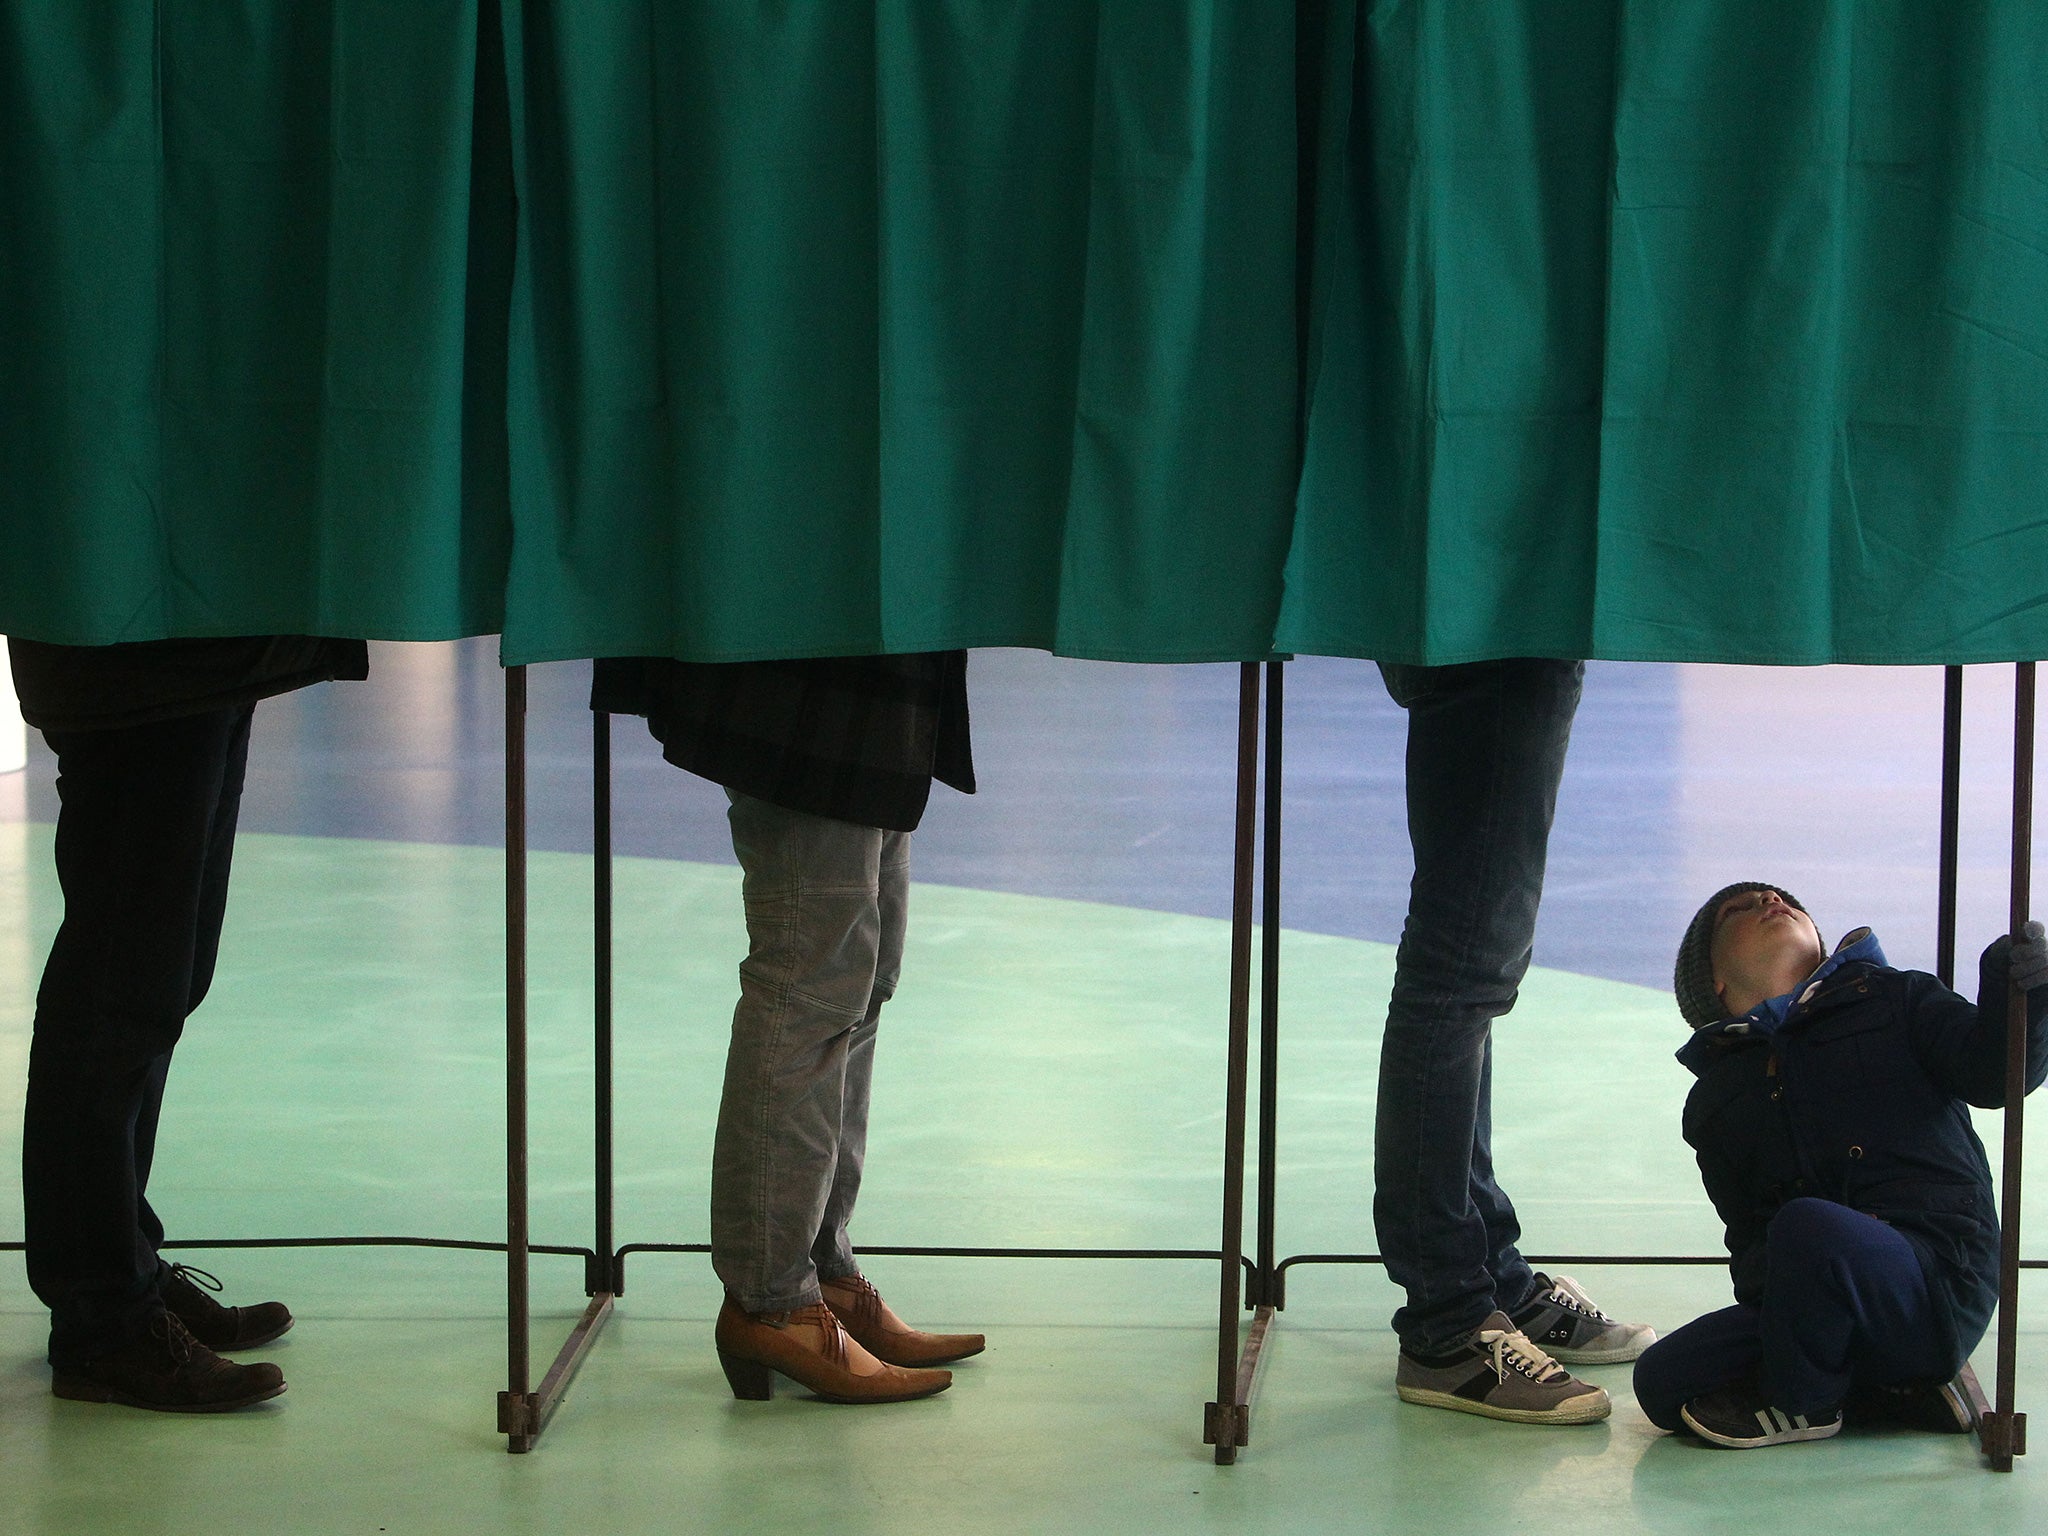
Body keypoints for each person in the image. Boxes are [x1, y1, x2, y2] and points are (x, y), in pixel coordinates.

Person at [593, 651, 982, 1405]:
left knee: (865, 986)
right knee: (810, 990)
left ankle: (822, 1276)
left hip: (883, 687)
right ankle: (771, 1302)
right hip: (806, 678)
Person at [10, 634, 367, 1412]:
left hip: (205, 651)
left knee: (165, 978)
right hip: (136, 652)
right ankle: (101, 1316)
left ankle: (124, 1263)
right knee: (119, 991)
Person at [1634, 881, 2048, 1448]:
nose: (1770, 902)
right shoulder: (1714, 1103)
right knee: (1660, 1378)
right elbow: (1750, 1239)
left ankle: (1805, 1402)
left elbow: (1996, 1073)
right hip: (1817, 1290)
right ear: (1714, 984)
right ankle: (1893, 1391)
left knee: (1810, 1226)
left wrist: (2017, 992)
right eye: (1740, 907)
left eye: (1782, 900)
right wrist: (1783, 1313)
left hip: (1932, 1277)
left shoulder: (1895, 997)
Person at [1376, 659, 1655, 1425]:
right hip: (1493, 634)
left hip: (1500, 632)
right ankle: (1449, 1326)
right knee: (1458, 968)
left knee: (1471, 968)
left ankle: (1487, 1280)